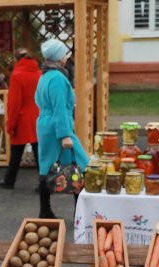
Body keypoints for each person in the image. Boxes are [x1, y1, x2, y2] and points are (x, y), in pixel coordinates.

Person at [35, 39, 89, 219]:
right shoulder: (58, 78)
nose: (67, 57)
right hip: (58, 126)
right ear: (59, 58)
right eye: (65, 54)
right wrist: (65, 135)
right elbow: (59, 108)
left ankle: (45, 211)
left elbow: (40, 101)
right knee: (81, 165)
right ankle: (79, 212)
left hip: (46, 124)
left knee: (46, 166)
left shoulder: (45, 75)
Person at [0, 47, 41, 189]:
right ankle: (44, 183)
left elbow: (14, 104)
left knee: (16, 153)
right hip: (38, 117)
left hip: (22, 119)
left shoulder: (17, 75)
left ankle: (9, 181)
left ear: (17, 59)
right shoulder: (40, 73)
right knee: (40, 154)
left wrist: (10, 125)